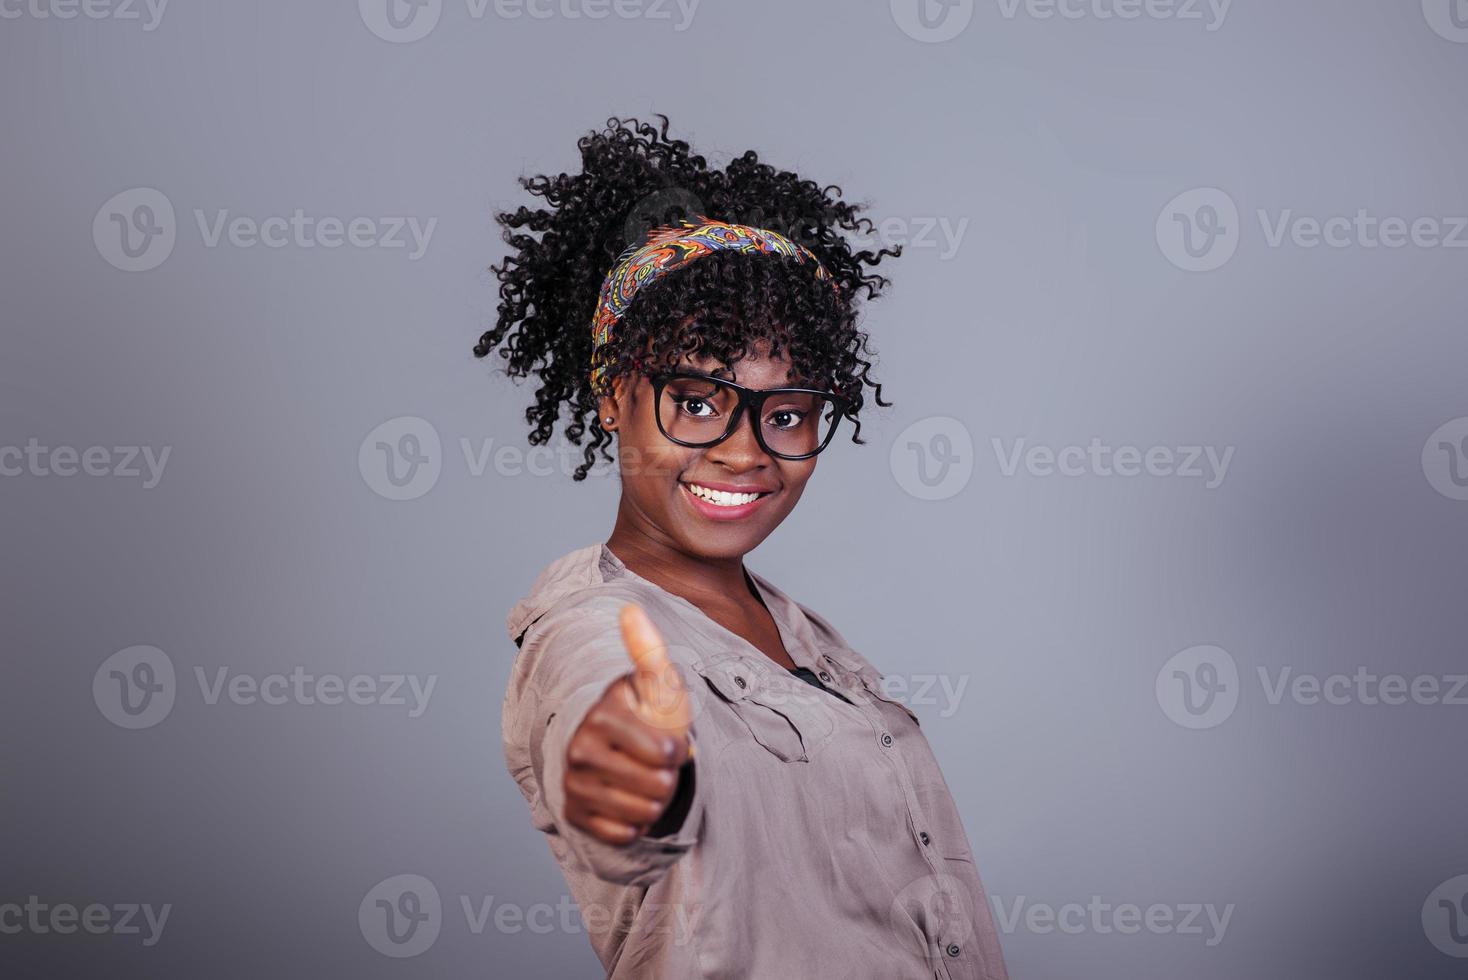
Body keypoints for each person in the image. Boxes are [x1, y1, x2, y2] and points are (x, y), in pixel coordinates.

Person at [479, 115, 1010, 980]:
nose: (745, 449)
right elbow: (602, 731)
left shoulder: (810, 640)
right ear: (612, 397)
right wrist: (615, 769)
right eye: (696, 401)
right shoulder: (592, 627)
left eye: (788, 413)